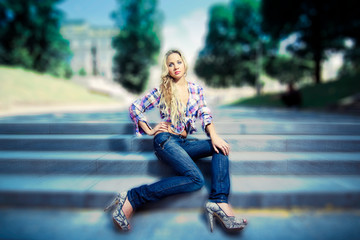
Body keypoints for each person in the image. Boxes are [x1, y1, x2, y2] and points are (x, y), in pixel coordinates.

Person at [104, 49, 247, 232]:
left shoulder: (196, 90)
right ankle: (133, 197)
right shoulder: (162, 90)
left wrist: (214, 135)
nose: (175, 67)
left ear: (184, 64)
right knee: (196, 179)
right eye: (170, 64)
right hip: (166, 141)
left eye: (178, 62)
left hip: (184, 143)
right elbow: (135, 107)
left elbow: (204, 113)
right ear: (167, 69)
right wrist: (149, 129)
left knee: (219, 146)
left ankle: (219, 201)